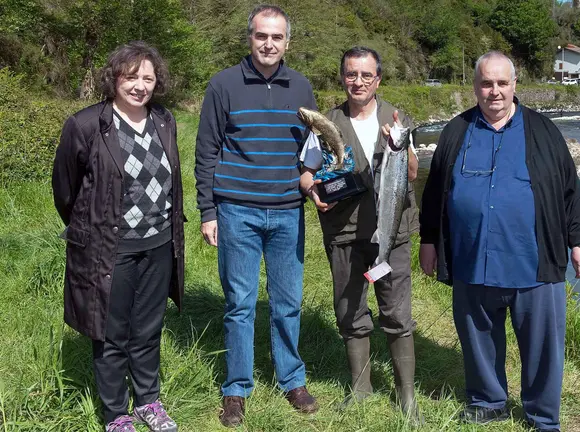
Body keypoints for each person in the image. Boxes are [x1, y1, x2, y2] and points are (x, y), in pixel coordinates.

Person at [418, 51, 580, 431]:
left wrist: (579, 240)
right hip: (472, 258)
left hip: (533, 262)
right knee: (478, 337)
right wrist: (429, 240)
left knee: (543, 348)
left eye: (501, 83)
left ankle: (542, 416)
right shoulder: (455, 131)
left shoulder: (544, 130)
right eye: (486, 83)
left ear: (514, 85)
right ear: (475, 86)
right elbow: (434, 193)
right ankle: (488, 402)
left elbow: (569, 189)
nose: (494, 91)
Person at [194, 5, 321, 427]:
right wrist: (207, 211)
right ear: (249, 37)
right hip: (236, 211)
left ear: (288, 41)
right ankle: (236, 388)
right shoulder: (223, 84)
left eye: (277, 37)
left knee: (288, 302)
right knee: (240, 304)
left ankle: (291, 378)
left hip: (287, 212)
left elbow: (312, 149)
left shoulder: (301, 87)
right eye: (261, 35)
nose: (269, 43)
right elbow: (207, 150)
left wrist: (316, 182)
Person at [52, 41, 184, 432]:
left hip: (159, 244)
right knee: (110, 335)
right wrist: (92, 225)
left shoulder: (164, 119)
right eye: (132, 77)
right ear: (115, 78)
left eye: (148, 77)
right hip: (110, 250)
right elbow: (66, 189)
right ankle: (116, 414)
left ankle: (148, 402)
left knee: (147, 329)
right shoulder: (87, 124)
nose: (140, 85)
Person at [299, 47, 421, 421]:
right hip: (344, 233)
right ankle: (361, 389)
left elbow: (413, 172)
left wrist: (398, 146)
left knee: (398, 314)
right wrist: (312, 190)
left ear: (378, 80)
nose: (359, 82)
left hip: (392, 234)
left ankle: (407, 398)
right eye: (352, 74)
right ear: (343, 77)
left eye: (366, 75)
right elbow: (307, 170)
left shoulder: (395, 119)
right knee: (350, 312)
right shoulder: (327, 122)